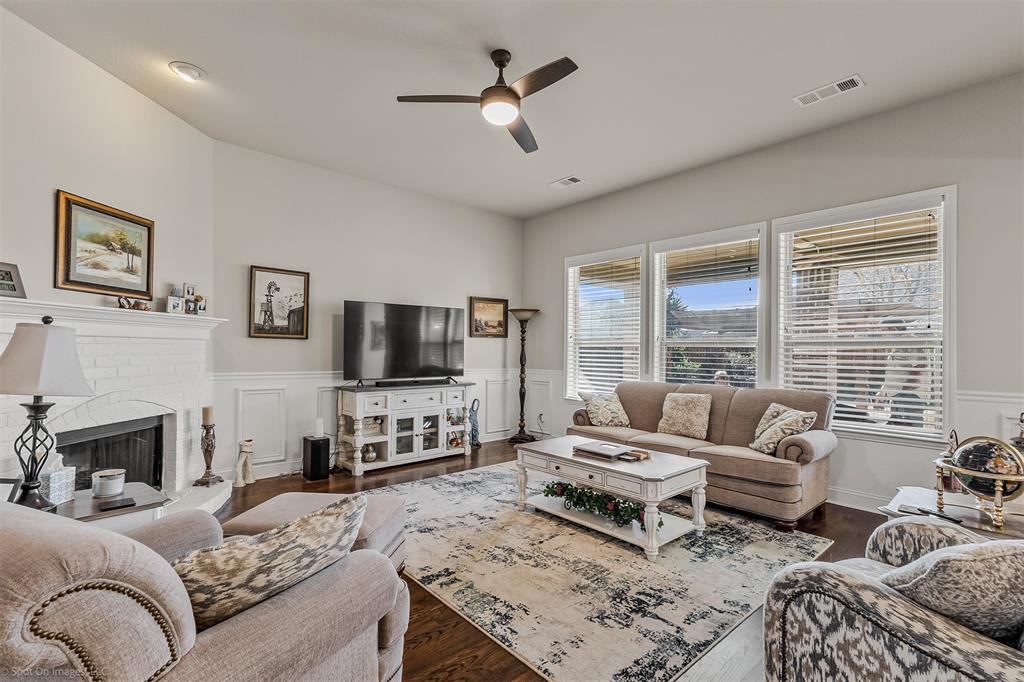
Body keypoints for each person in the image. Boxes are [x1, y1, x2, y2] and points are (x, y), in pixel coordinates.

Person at [873, 318, 929, 429]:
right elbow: (895, 372)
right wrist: (882, 392)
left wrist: (905, 389)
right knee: (897, 429)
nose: (882, 335)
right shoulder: (896, 345)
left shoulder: (909, 341)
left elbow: (920, 365)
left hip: (909, 397)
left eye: (884, 332)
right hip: (898, 396)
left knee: (911, 431)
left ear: (894, 329)